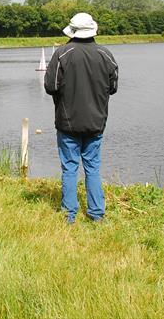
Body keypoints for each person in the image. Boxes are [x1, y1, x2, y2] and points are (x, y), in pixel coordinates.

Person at [44, 12, 118, 224]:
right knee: (92, 168)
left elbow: (50, 86)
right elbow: (113, 88)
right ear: (92, 30)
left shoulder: (62, 54)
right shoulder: (106, 55)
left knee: (69, 167)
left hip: (67, 123)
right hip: (96, 123)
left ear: (72, 31)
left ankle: (69, 215)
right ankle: (96, 214)